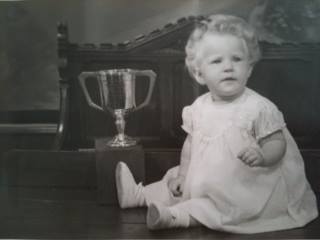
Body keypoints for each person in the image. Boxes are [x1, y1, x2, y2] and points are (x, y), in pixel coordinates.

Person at [115, 14, 318, 233]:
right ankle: (138, 195)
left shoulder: (259, 108)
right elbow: (190, 146)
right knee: (173, 183)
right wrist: (184, 175)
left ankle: (173, 217)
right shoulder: (199, 107)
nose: (228, 67)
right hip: (205, 176)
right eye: (217, 61)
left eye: (237, 59)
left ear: (249, 69)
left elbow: (277, 142)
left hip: (244, 185)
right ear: (200, 74)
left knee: (211, 207)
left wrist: (263, 155)